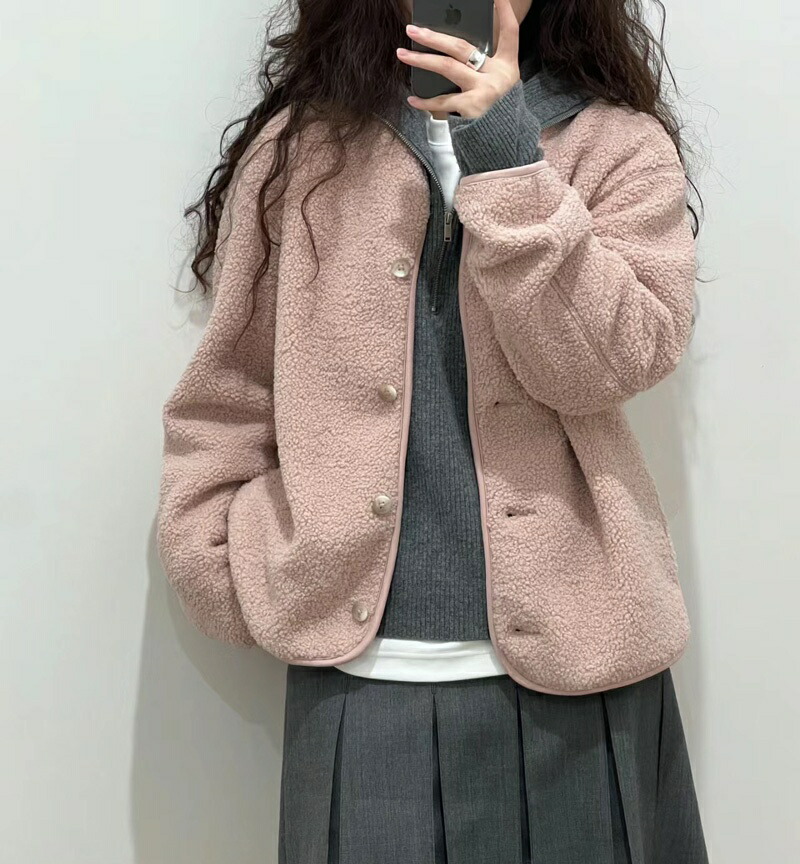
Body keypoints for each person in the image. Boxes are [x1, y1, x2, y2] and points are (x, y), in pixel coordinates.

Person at [156, 0, 709, 861]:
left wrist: (509, 155)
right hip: (359, 687)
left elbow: (609, 364)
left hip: (583, 687)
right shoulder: (305, 151)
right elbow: (230, 395)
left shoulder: (616, 144)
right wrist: (227, 566)